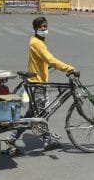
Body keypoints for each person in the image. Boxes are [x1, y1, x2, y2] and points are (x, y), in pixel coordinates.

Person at [5, 16, 78, 155]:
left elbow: (42, 60)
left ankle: (41, 140)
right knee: (41, 114)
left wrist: (48, 67)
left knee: (37, 113)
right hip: (37, 84)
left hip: (38, 81)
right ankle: (19, 138)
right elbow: (49, 59)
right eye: (41, 27)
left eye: (45, 26)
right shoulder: (37, 43)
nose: (44, 29)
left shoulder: (37, 41)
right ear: (35, 28)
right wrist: (69, 68)